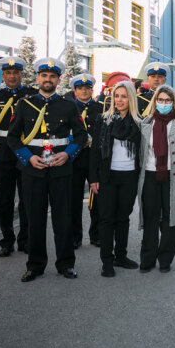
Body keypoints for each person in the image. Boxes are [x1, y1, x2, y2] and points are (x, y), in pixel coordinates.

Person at [6, 58, 87, 282]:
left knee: (63, 218)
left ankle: (66, 264)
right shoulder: (25, 105)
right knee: (34, 219)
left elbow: (81, 135)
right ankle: (35, 265)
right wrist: (28, 158)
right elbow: (13, 137)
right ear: (37, 78)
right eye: (44, 76)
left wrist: (68, 154)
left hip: (61, 169)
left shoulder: (69, 105)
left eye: (52, 76)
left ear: (58, 80)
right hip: (34, 169)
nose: (48, 79)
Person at [0, 57, 35, 255]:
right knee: (4, 199)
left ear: (21, 75)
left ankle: (25, 240)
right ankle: (6, 241)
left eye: (16, 73)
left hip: (25, 151)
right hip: (3, 151)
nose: (12, 76)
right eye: (8, 73)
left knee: (26, 198)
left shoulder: (32, 95)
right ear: (3, 75)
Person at [88, 81, 142, 277]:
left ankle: (121, 256)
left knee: (123, 218)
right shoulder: (104, 119)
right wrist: (93, 178)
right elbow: (95, 151)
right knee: (106, 219)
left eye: (124, 96)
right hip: (107, 177)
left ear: (131, 98)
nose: (119, 100)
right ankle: (107, 261)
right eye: (116, 96)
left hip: (129, 177)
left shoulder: (139, 122)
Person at [138, 84, 175, 273]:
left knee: (170, 218)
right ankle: (147, 259)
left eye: (167, 100)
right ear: (155, 101)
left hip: (173, 175)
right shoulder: (146, 122)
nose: (164, 103)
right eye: (160, 100)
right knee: (150, 217)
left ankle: (165, 259)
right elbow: (141, 151)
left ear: (173, 102)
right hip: (150, 174)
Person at [66, 73, 104, 249]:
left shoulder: (100, 108)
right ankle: (75, 236)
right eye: (80, 88)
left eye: (87, 88)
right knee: (74, 199)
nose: (84, 91)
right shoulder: (68, 107)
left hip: (94, 158)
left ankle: (96, 235)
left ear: (92, 90)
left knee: (97, 198)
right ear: (75, 90)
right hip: (74, 158)